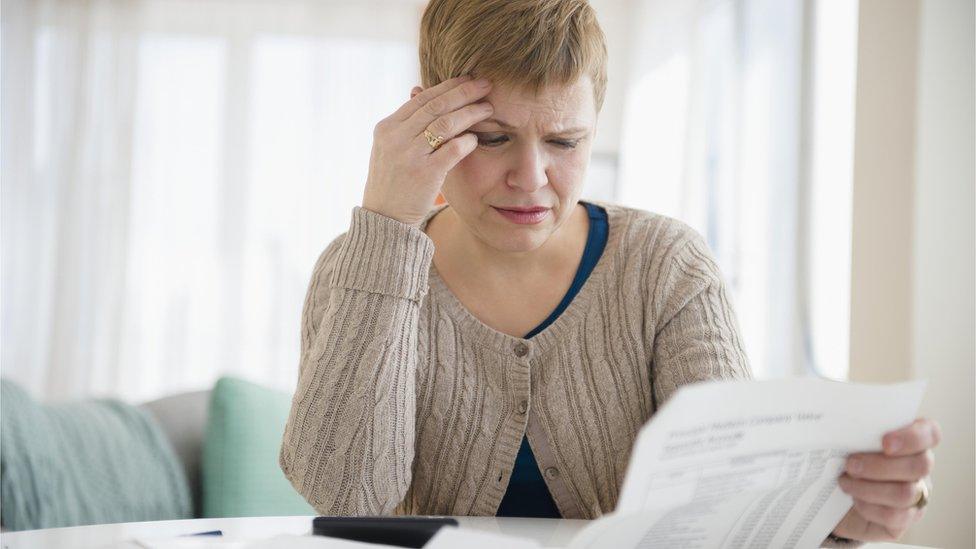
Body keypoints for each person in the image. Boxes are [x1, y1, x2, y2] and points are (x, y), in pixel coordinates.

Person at [279, 0, 939, 544]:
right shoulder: (359, 266)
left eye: (565, 141)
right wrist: (388, 225)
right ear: (430, 120)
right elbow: (347, 495)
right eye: (494, 136)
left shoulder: (666, 268)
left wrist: (844, 518)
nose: (531, 178)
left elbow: (732, 507)